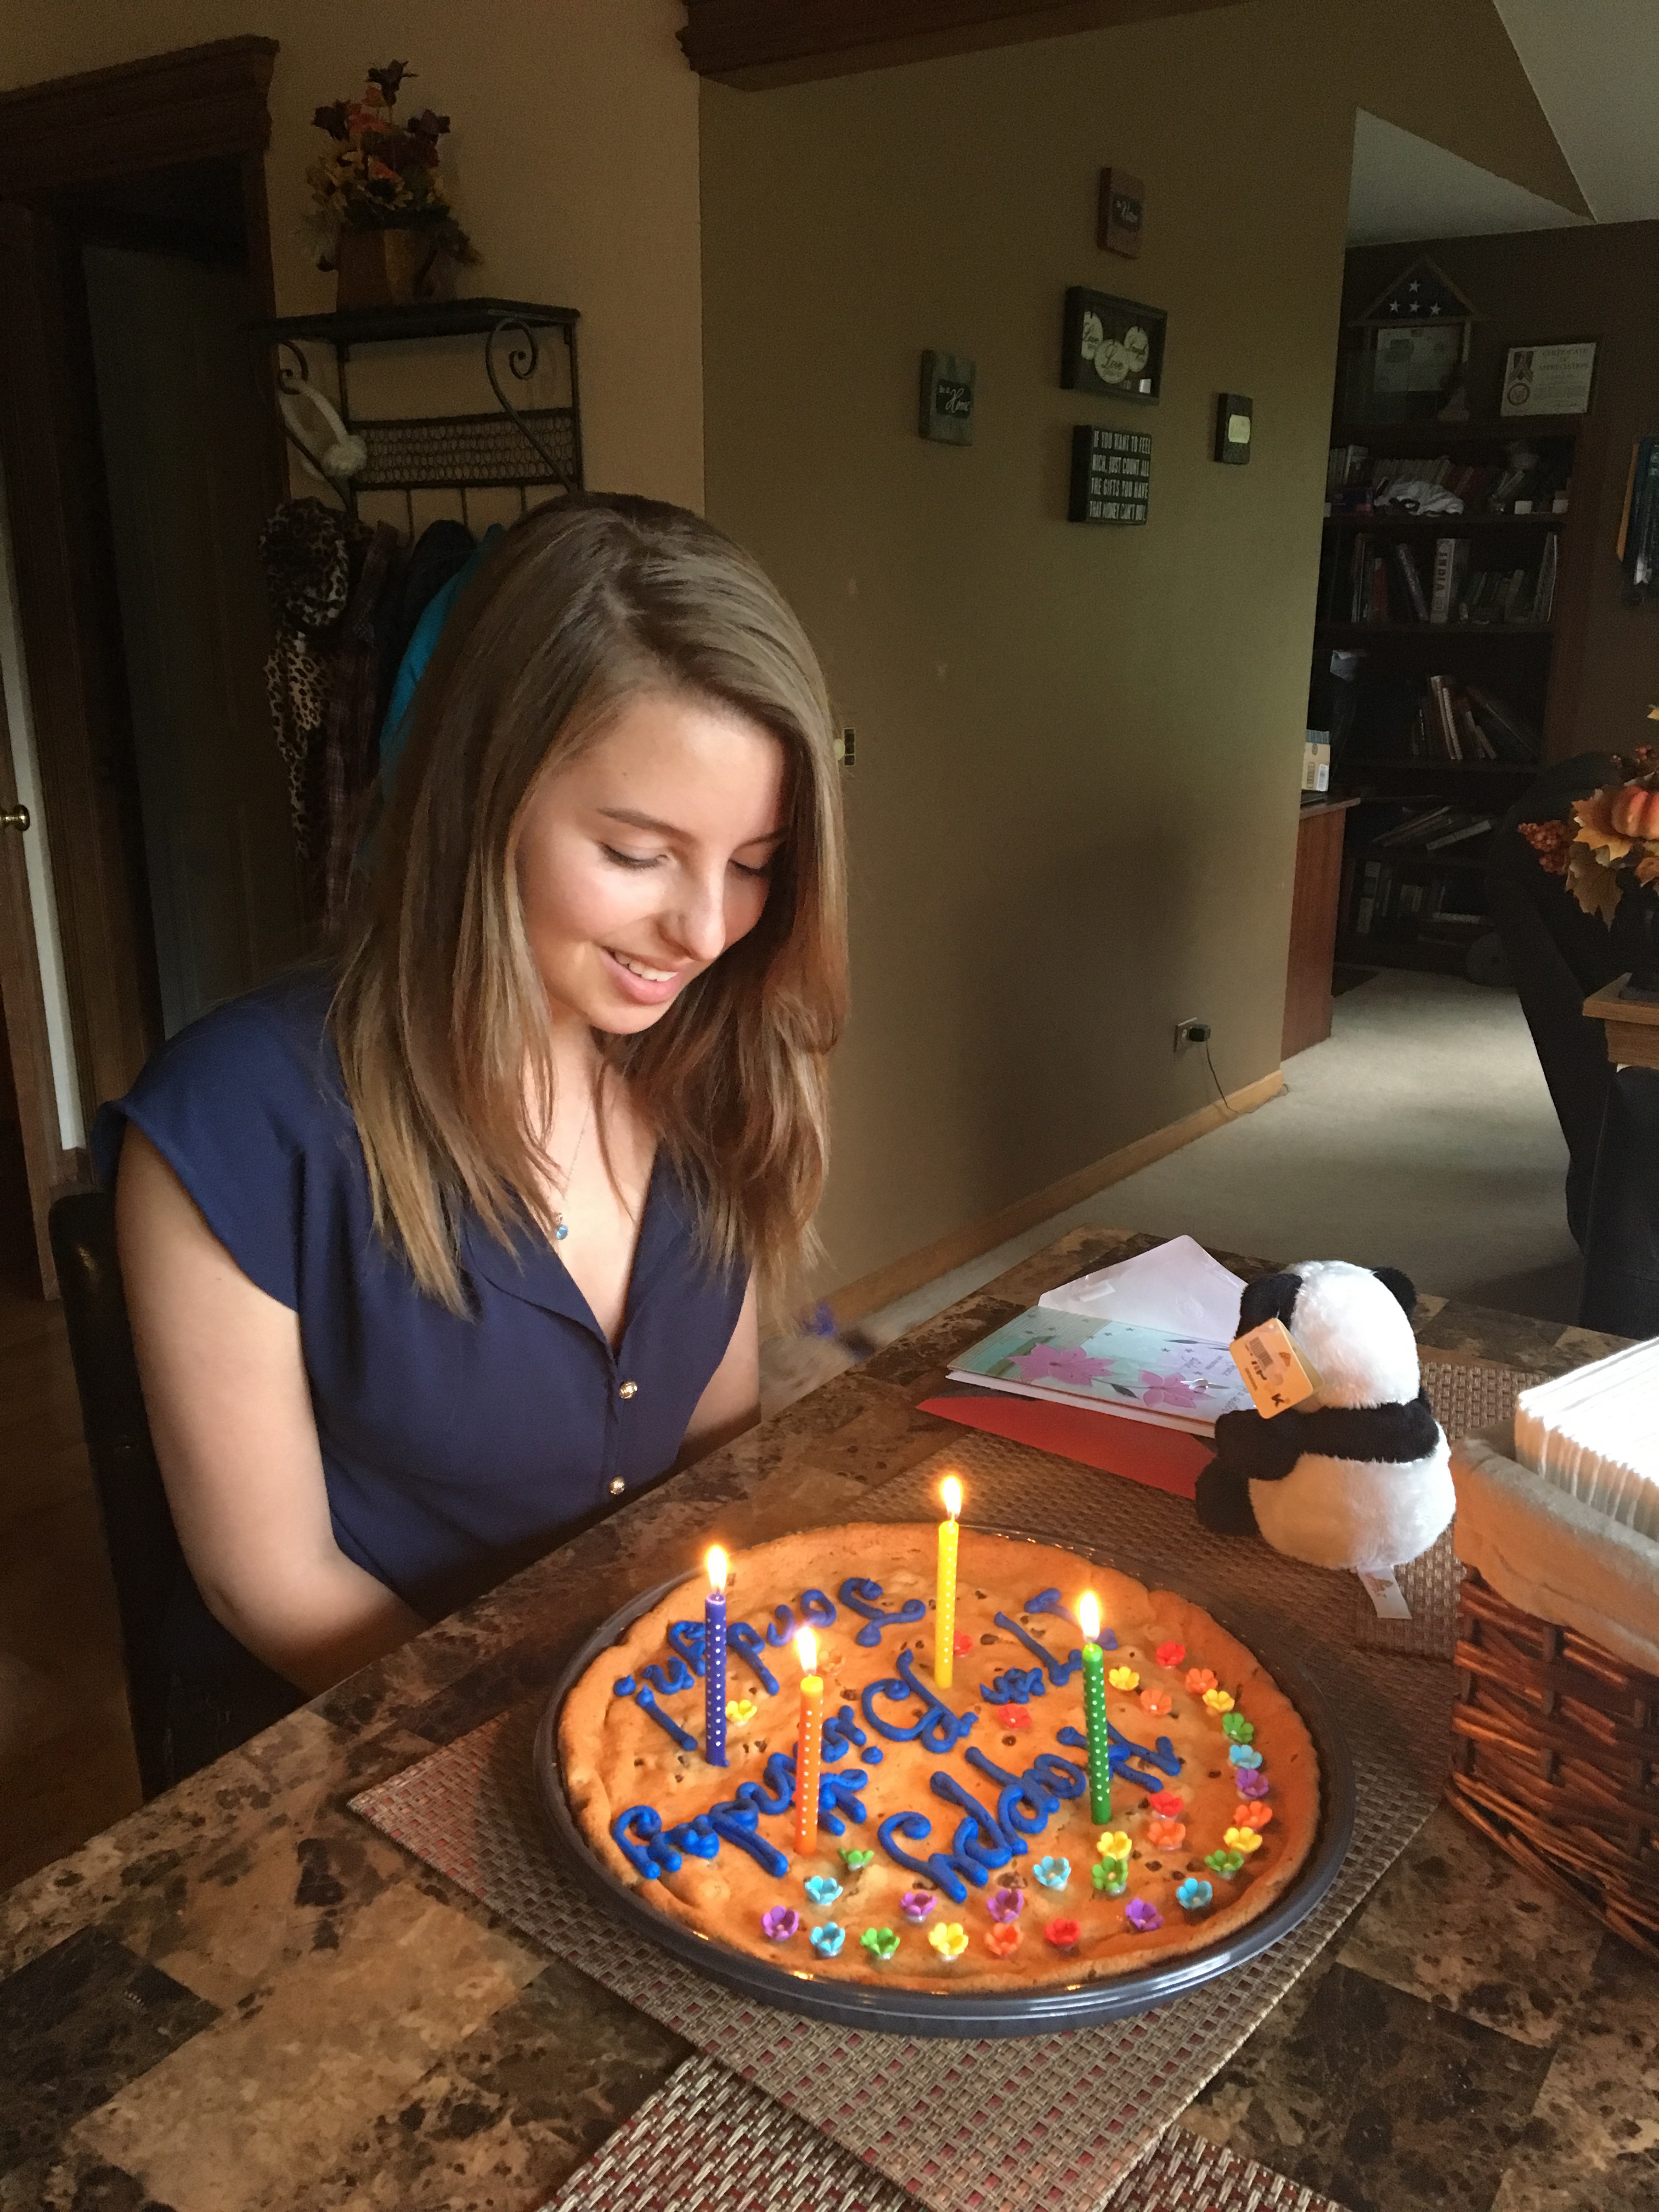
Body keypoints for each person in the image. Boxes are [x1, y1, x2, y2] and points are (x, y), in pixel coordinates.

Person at [100, 494, 848, 1779]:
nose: (705, 931)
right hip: (359, 1751)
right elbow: (274, 1586)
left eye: (753, 863)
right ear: (477, 799)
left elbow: (710, 1469)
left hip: (644, 1735)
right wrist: (555, 1753)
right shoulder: (240, 1122)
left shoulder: (720, 1068)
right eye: (637, 853)